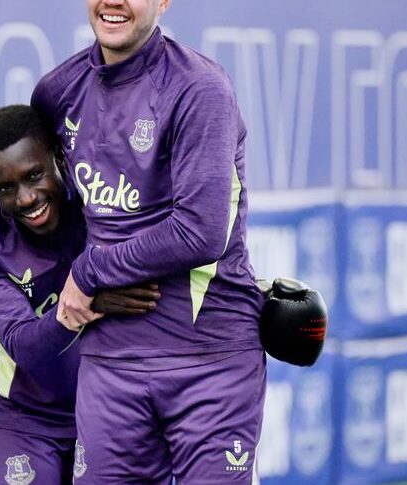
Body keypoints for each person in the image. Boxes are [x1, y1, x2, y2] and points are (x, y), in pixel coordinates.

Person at [29, 0, 267, 482]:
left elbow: (199, 232)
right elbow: (28, 199)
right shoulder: (56, 92)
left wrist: (90, 271)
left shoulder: (199, 88)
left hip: (208, 361)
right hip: (109, 364)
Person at [0, 104, 161, 485]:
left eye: (34, 175)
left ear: (59, 157)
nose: (25, 198)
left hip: (107, 403)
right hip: (20, 411)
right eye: (5, 188)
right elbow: (23, 343)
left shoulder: (101, 194)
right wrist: (86, 301)